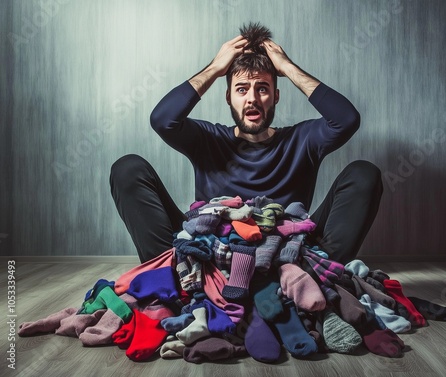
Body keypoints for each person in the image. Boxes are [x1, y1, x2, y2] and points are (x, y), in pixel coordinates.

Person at [109, 24, 383, 267]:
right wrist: (215, 68)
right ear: (229, 97)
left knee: (364, 172)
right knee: (128, 167)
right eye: (242, 89)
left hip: (291, 249)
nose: (252, 98)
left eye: (262, 88)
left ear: (275, 96)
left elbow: (346, 119)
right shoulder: (208, 138)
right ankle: (166, 271)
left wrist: (287, 66)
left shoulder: (302, 139)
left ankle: (322, 271)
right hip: (209, 251)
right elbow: (162, 119)